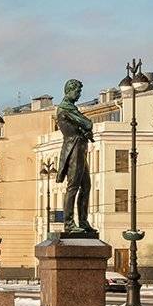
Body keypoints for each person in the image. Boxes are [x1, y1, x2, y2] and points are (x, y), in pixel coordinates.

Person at [55, 78, 97, 237]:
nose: (79, 94)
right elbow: (87, 123)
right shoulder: (65, 108)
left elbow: (84, 125)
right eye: (77, 91)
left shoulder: (72, 108)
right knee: (73, 187)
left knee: (86, 186)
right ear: (69, 91)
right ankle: (69, 224)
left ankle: (83, 222)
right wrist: (84, 126)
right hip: (73, 149)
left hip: (80, 148)